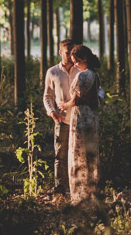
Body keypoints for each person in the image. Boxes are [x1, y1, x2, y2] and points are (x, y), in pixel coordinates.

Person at [60, 44, 101, 204]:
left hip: (82, 117)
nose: (75, 65)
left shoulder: (83, 76)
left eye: (76, 61)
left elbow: (76, 100)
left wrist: (64, 105)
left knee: (78, 153)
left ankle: (79, 194)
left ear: (84, 59)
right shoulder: (94, 75)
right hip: (92, 116)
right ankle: (91, 190)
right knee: (89, 152)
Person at [42, 39, 78, 194]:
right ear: (60, 52)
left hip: (79, 120)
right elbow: (47, 96)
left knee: (77, 155)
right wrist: (51, 112)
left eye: (72, 52)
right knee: (60, 155)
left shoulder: (81, 70)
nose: (70, 55)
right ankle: (60, 189)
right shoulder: (52, 72)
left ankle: (76, 188)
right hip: (61, 119)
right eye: (67, 52)